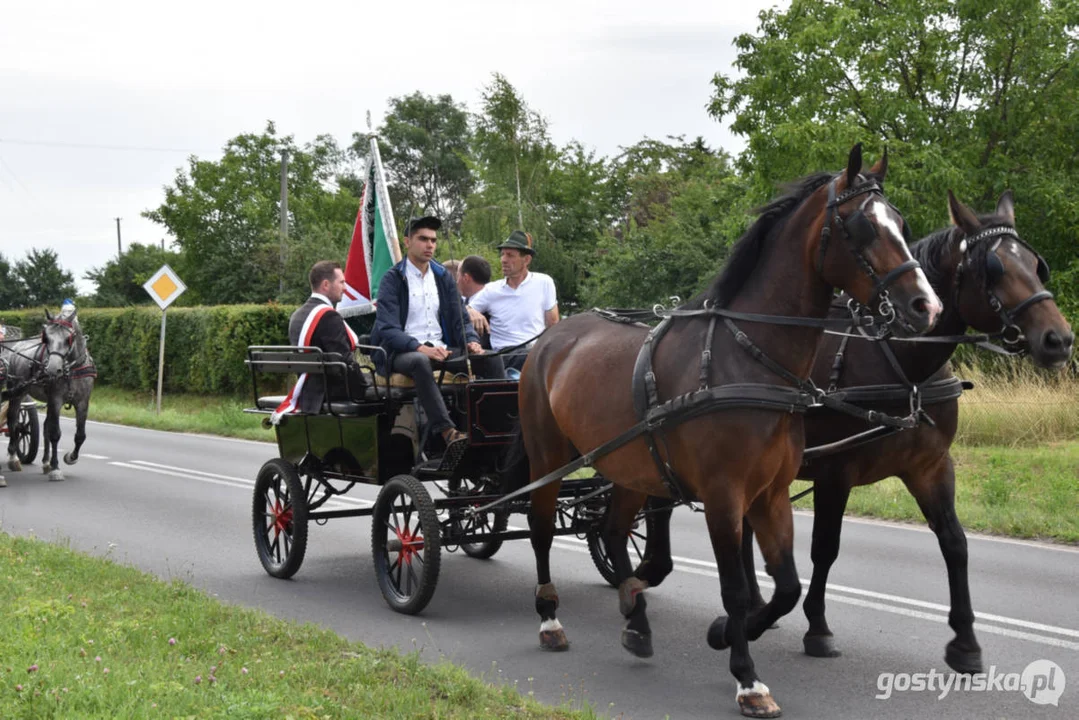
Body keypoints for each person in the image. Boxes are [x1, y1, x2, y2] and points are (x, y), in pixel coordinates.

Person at [370, 216, 504, 452]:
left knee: (491, 358)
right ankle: (447, 431)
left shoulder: (443, 277)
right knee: (421, 361)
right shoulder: (392, 279)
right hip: (403, 352)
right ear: (407, 242)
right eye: (423, 239)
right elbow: (387, 328)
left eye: (433, 240)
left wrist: (471, 341)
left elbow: (460, 318)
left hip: (441, 348)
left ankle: (497, 426)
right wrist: (420, 347)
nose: (430, 245)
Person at [271, 261, 366, 421]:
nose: (345, 288)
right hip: (329, 391)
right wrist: (365, 384)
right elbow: (343, 362)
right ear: (326, 284)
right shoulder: (329, 316)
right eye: (342, 282)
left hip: (310, 388)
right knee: (386, 391)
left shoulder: (297, 314)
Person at [468, 230, 559, 372]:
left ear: (526, 260)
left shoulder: (544, 282)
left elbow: (553, 324)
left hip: (536, 352)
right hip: (505, 355)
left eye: (510, 255)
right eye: (502, 254)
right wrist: (471, 311)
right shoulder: (491, 290)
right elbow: (464, 310)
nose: (503, 259)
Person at [457, 255, 492, 342]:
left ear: (466, 278)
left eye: (457, 275)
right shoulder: (462, 301)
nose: (456, 281)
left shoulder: (488, 311)